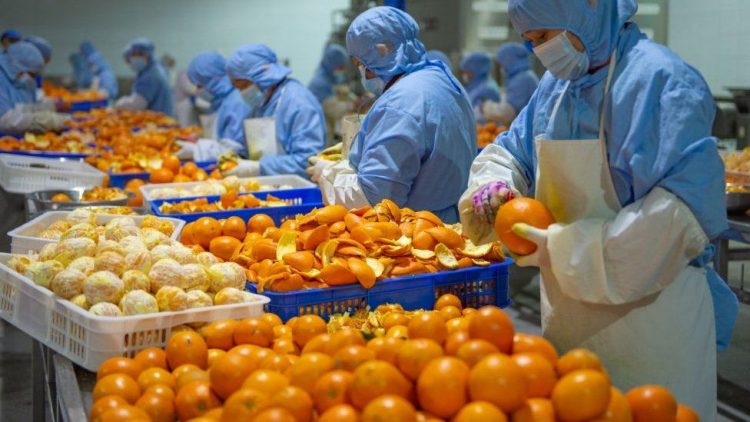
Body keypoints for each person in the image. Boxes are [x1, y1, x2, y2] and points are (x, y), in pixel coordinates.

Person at [459, 0, 737, 419]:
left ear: (587, 8)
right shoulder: (556, 88)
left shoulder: (660, 81)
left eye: (544, 36)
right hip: (569, 315)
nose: (539, 51)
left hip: (651, 319)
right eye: (530, 41)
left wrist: (562, 249)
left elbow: (676, 216)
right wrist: (495, 184)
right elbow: (511, 151)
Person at [311, 6, 476, 223]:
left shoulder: (400, 102)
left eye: (361, 64)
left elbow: (375, 199)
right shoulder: (442, 79)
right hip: (449, 223)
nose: (363, 72)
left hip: (416, 232)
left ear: (380, 52)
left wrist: (328, 177)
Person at [225, 43, 325, 178]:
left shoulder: (298, 102)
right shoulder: (261, 104)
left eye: (244, 86)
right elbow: (250, 149)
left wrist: (259, 167)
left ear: (261, 76)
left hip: (299, 186)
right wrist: (236, 158)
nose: (242, 92)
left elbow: (308, 161)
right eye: (237, 88)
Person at [175, 52, 251, 162]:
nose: (197, 91)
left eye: (200, 85)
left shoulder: (236, 104)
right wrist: (198, 142)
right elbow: (220, 140)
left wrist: (196, 150)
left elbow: (233, 152)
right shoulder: (222, 102)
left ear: (213, 81)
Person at [0, 42, 65, 133]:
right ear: (15, 66)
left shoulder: (18, 80)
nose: (30, 79)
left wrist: (44, 107)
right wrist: (41, 121)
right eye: (30, 74)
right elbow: (4, 119)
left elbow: (18, 107)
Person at [482, 42, 539, 126]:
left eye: (502, 64)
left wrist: (486, 106)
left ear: (509, 61)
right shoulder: (524, 75)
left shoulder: (521, 79)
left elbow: (507, 113)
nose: (502, 68)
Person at [308, 44, 355, 144]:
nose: (341, 70)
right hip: (318, 132)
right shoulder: (319, 83)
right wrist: (353, 105)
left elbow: (342, 94)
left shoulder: (332, 79)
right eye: (340, 67)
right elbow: (334, 108)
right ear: (332, 64)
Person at [115, 38, 173, 115]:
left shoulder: (151, 76)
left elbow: (136, 106)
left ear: (149, 55)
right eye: (133, 54)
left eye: (140, 54)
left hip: (157, 120)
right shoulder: (152, 70)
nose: (136, 58)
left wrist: (119, 103)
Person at [458, 51, 500, 123]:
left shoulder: (488, 88)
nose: (465, 74)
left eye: (467, 71)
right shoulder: (474, 85)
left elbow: (486, 117)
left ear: (475, 70)